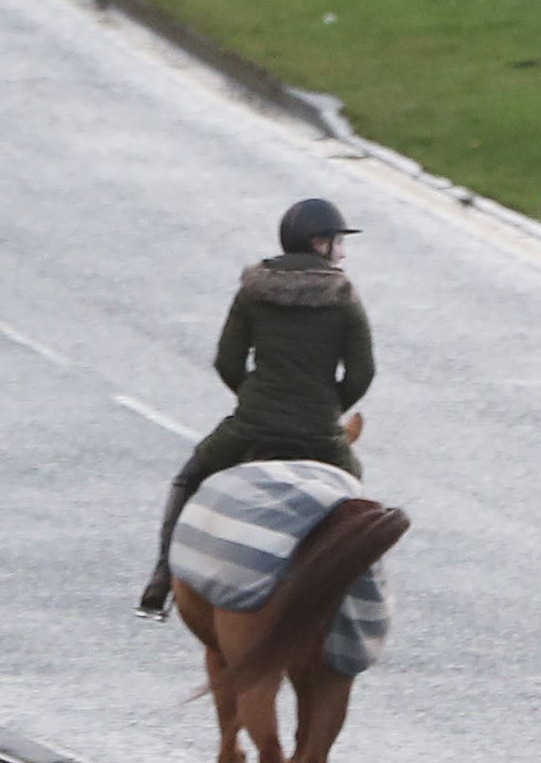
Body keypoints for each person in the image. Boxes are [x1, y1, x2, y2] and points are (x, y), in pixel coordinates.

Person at [135, 197, 373, 619]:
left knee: (189, 478)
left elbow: (227, 362)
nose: (344, 252)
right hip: (319, 433)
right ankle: (357, 611)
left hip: (252, 426)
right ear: (319, 243)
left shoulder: (253, 291)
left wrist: (255, 399)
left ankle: (160, 582)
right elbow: (362, 374)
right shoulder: (344, 297)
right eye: (339, 242)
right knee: (357, 498)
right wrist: (325, 409)